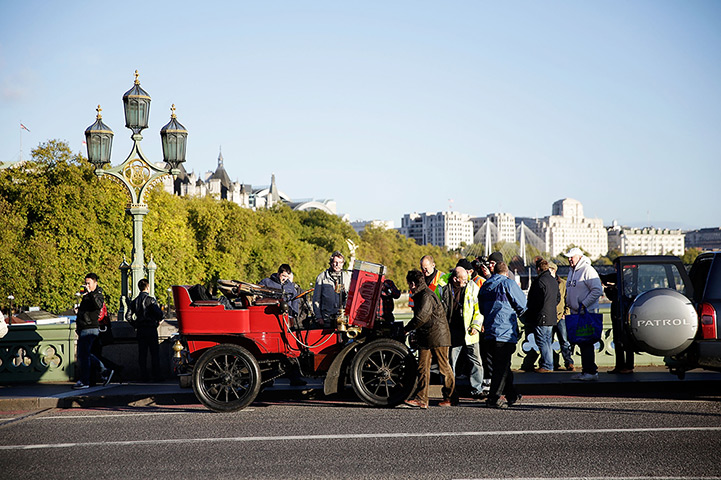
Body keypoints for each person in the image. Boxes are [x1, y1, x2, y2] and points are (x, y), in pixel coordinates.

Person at [403, 269, 456, 409]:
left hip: (436, 336)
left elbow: (421, 317)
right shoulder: (424, 293)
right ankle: (422, 399)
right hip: (431, 336)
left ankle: (450, 397)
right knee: (423, 367)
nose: (409, 286)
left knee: (443, 367)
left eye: (409, 284)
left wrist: (407, 329)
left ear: (413, 284)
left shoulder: (425, 295)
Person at [478, 262, 527, 409]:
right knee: (501, 367)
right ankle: (493, 398)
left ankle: (511, 394)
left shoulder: (485, 286)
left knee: (502, 365)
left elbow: (481, 309)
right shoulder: (508, 284)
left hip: (489, 332)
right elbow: (522, 305)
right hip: (505, 332)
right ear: (506, 272)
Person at [439, 266, 485, 399]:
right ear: (455, 279)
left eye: (467, 278)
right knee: (450, 363)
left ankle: (477, 389)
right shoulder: (442, 287)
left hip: (470, 331)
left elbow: (478, 309)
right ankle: (451, 391)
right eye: (463, 279)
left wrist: (476, 325)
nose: (466, 281)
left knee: (476, 361)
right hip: (452, 331)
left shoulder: (472, 287)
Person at [565, 247, 603, 381]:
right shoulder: (572, 271)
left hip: (586, 314)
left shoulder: (587, 270)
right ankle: (586, 370)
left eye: (572, 257)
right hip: (576, 313)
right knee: (581, 342)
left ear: (579, 257)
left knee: (586, 342)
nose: (569, 259)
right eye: (568, 257)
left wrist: (584, 304)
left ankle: (591, 372)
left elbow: (597, 290)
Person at [74, 273, 113, 389]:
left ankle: (86, 380)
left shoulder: (97, 295)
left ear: (95, 283)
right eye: (85, 283)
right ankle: (105, 371)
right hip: (84, 328)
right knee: (85, 354)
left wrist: (90, 294)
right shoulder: (87, 296)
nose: (86, 286)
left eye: (88, 283)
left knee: (84, 355)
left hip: (90, 328)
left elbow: (97, 305)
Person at [524, 259, 560, 373]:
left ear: (538, 269)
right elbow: (558, 298)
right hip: (552, 316)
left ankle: (547, 365)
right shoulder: (553, 280)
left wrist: (533, 311)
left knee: (542, 341)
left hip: (541, 316)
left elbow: (535, 300)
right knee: (548, 340)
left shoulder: (539, 281)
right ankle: (549, 364)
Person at [126, 278, 164, 382]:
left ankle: (144, 375)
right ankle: (156, 375)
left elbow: (128, 316)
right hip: (151, 328)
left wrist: (135, 325)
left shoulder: (135, 301)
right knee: (154, 353)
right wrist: (158, 321)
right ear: (147, 287)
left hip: (141, 329)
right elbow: (159, 313)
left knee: (142, 354)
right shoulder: (151, 300)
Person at [602, 268, 634, 374]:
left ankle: (627, 366)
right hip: (619, 311)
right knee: (618, 339)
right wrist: (609, 288)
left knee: (625, 339)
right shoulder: (624, 277)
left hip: (623, 311)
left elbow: (624, 294)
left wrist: (612, 287)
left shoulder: (628, 278)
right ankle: (621, 365)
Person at [312, 251, 351, 328]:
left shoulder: (346, 277)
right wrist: (319, 317)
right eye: (335, 262)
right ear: (331, 262)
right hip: (326, 318)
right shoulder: (322, 277)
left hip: (342, 319)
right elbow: (316, 299)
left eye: (340, 262)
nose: (337, 265)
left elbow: (349, 297)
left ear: (343, 264)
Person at [548, 262, 573, 371]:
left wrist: (566, 313)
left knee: (564, 340)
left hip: (560, 316)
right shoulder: (546, 282)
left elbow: (568, 299)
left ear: (554, 270)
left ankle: (568, 362)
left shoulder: (563, 283)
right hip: (549, 316)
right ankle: (549, 363)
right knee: (548, 341)